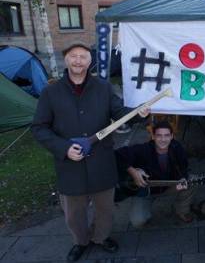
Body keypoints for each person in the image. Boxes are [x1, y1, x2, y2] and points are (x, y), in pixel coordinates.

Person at [31, 43, 149, 262]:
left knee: (105, 208)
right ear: (65, 59)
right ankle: (81, 241)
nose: (78, 61)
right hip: (70, 164)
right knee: (74, 213)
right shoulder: (51, 92)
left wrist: (138, 113)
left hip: (101, 160)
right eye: (73, 56)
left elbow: (120, 113)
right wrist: (63, 148)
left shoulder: (103, 87)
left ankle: (100, 237)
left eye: (83, 56)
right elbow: (39, 128)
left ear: (89, 61)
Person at [116, 120, 195, 228]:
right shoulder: (143, 149)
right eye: (159, 136)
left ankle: (181, 210)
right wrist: (133, 171)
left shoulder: (177, 149)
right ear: (153, 136)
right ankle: (144, 213)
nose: (163, 139)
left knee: (191, 182)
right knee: (137, 222)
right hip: (144, 192)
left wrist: (182, 179)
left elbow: (184, 168)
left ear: (172, 136)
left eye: (167, 135)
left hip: (167, 187)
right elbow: (116, 155)